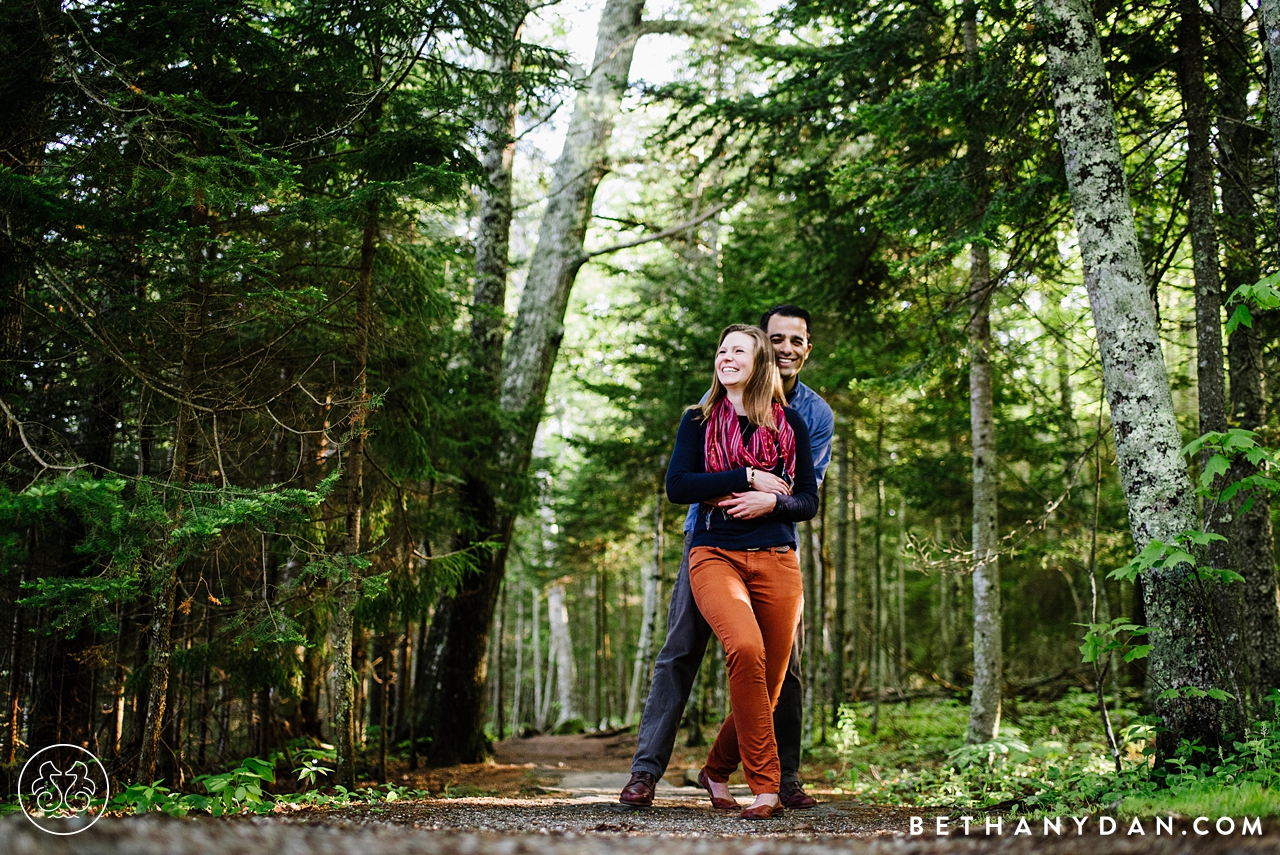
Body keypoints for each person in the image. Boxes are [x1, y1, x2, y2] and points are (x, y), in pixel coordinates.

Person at [620, 305, 833, 812]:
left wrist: (773, 500)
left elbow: (806, 491)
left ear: (806, 348)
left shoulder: (810, 416)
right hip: (710, 543)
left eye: (795, 341)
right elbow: (689, 479)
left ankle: (781, 778)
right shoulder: (711, 406)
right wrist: (745, 479)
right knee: (681, 654)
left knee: (783, 672)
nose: (785, 348)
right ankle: (645, 773)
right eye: (775, 338)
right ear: (765, 344)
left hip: (776, 550)